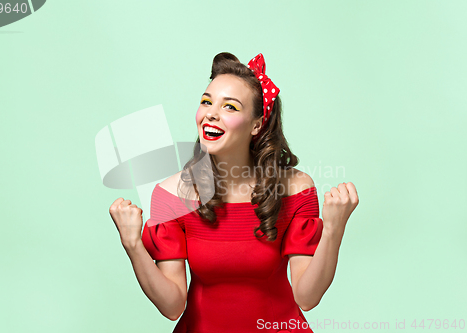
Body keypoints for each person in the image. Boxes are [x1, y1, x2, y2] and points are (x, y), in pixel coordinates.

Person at [109, 52, 359, 333]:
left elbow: (307, 297)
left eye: (230, 107)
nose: (211, 114)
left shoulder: (295, 189)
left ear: (256, 124)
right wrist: (133, 245)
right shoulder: (171, 194)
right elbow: (172, 306)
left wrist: (333, 231)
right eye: (207, 102)